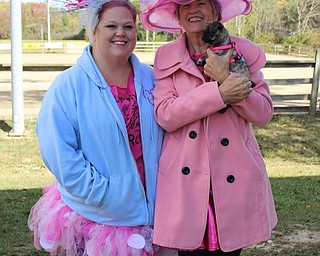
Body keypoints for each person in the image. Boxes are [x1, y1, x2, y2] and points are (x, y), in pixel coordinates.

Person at [139, 0, 277, 255]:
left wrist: (227, 78)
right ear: (178, 16)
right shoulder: (166, 57)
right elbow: (165, 114)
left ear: (216, 11)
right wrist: (219, 93)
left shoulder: (240, 52)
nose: (193, 10)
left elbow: (263, 113)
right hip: (186, 181)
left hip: (233, 179)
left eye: (201, 2)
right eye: (185, 5)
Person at [28, 0, 165, 255]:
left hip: (153, 214)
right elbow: (60, 155)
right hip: (99, 218)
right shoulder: (68, 86)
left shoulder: (153, 78)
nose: (121, 33)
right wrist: (105, 195)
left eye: (128, 26)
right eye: (111, 25)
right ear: (93, 31)